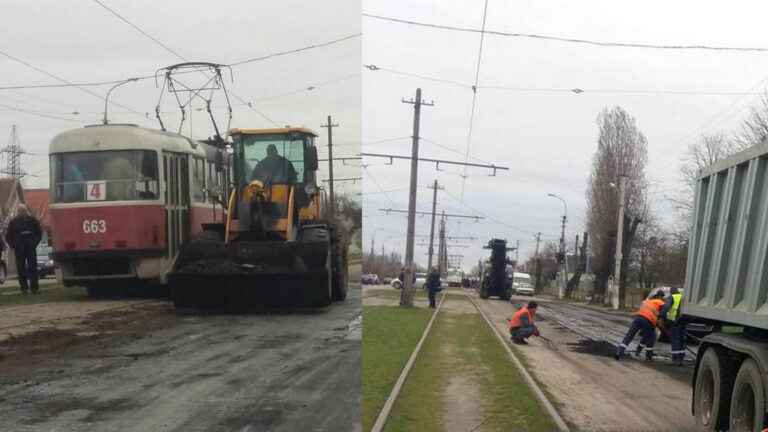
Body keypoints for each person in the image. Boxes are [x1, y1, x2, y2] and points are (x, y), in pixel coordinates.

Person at [615, 291, 666, 361]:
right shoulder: (660, 302)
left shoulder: (647, 301)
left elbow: (642, 310)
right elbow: (662, 314)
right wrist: (662, 325)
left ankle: (619, 351)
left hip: (638, 318)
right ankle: (648, 356)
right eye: (662, 297)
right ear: (661, 297)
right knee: (651, 337)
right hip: (648, 320)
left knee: (629, 335)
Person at [5, 204, 42, 295]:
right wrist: (13, 245)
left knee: (32, 267)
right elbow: (8, 236)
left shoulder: (33, 221)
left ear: (26, 211)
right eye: (20, 211)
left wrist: (35, 243)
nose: (22, 212)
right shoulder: (13, 222)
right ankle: (24, 288)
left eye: (24, 210)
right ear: (18, 212)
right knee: (21, 268)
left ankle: (34, 288)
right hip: (19, 249)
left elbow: (39, 233)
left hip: (30, 247)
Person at [660, 287, 686, 366]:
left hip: (674, 321)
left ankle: (675, 359)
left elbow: (666, 308)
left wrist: (661, 317)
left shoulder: (671, 297)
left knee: (675, 340)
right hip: (683, 321)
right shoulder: (683, 297)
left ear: (671, 292)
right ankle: (681, 359)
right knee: (682, 340)